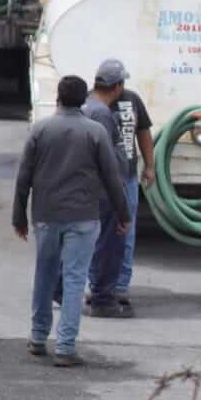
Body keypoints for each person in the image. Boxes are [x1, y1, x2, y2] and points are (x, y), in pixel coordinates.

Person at [13, 74, 130, 367]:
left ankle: (38, 338)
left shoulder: (40, 130)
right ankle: (66, 347)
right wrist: (123, 214)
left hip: (46, 216)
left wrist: (19, 216)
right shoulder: (95, 132)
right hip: (83, 217)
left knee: (45, 274)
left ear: (58, 98)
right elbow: (112, 177)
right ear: (83, 100)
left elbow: (24, 176)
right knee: (76, 278)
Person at [80, 60, 137, 319]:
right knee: (109, 245)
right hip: (106, 191)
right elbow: (109, 161)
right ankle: (104, 299)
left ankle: (94, 292)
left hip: (92, 189)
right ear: (117, 86)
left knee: (95, 243)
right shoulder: (102, 113)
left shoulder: (89, 107)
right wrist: (121, 202)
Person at [108, 66, 155, 315]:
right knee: (102, 233)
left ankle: (121, 286)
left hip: (127, 177)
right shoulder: (94, 105)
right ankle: (100, 285)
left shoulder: (132, 99)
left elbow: (143, 132)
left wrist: (150, 166)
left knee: (127, 232)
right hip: (103, 181)